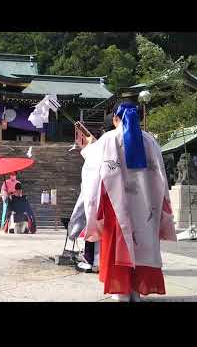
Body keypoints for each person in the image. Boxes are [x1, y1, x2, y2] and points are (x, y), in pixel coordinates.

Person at [80, 101, 176, 302]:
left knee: (120, 243)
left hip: (117, 205)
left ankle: (120, 290)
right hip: (147, 204)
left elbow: (93, 172)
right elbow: (161, 177)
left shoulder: (108, 139)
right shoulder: (151, 141)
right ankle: (135, 290)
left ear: (115, 118)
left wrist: (89, 147)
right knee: (143, 243)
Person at [68, 113, 115, 273]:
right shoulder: (135, 141)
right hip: (123, 199)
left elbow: (90, 184)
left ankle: (94, 260)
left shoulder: (99, 147)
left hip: (101, 198)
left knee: (95, 223)